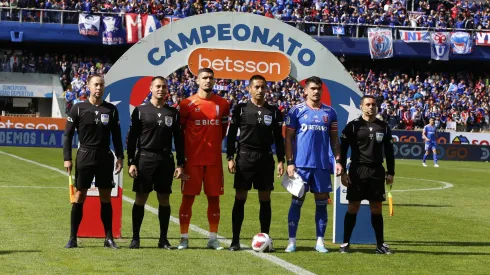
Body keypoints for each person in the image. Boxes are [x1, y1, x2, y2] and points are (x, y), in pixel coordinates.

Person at [63, 74, 124, 249]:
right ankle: (73, 238)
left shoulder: (111, 110)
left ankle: (109, 238)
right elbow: (67, 135)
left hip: (105, 156)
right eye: (96, 85)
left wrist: (120, 156)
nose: (99, 88)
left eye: (101, 85)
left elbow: (117, 136)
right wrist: (67, 158)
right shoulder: (78, 108)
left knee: (105, 197)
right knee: (80, 196)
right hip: (85, 156)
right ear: (88, 87)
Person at [226, 75, 285, 251]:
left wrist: (281, 160)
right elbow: (231, 135)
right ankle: (235, 241)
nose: (260, 90)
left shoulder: (274, 112)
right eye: (256, 87)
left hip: (266, 159)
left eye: (262, 87)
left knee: (265, 199)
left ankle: (265, 239)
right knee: (240, 198)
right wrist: (230, 157)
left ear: (266, 89)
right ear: (249, 89)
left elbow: (279, 139)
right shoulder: (241, 109)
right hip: (244, 157)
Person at [284, 76, 342, 253]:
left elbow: (334, 140)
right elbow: (289, 138)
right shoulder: (296, 111)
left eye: (319, 88)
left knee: (322, 204)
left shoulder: (330, 113)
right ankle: (292, 241)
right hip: (301, 166)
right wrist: (290, 162)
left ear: (322, 91)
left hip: (322, 166)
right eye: (313, 88)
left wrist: (338, 161)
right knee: (296, 203)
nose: (316, 91)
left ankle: (320, 242)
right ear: (306, 91)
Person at [126, 76, 185, 249]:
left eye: (164, 87)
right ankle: (135, 238)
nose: (161, 89)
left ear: (167, 90)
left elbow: (179, 140)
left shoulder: (172, 113)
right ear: (151, 88)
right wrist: (131, 161)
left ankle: (163, 239)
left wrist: (180, 164)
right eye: (158, 86)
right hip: (144, 158)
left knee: (164, 198)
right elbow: (132, 139)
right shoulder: (140, 111)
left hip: (165, 160)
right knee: (140, 198)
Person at [177, 68, 230, 250]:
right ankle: (184, 238)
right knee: (188, 198)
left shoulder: (223, 104)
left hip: (214, 161)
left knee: (214, 199)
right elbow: (180, 133)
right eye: (204, 78)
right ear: (197, 80)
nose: (208, 80)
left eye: (211, 78)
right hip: (192, 161)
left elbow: (223, 131)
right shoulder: (186, 104)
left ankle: (213, 239)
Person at [339, 95, 395, 254]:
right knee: (353, 206)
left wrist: (391, 172)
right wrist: (343, 172)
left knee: (376, 208)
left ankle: (380, 245)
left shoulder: (383, 127)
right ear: (361, 107)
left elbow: (390, 152)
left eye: (374, 105)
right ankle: (345, 243)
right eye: (368, 104)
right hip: (357, 171)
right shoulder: (353, 126)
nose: (371, 107)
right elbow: (342, 150)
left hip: (377, 171)